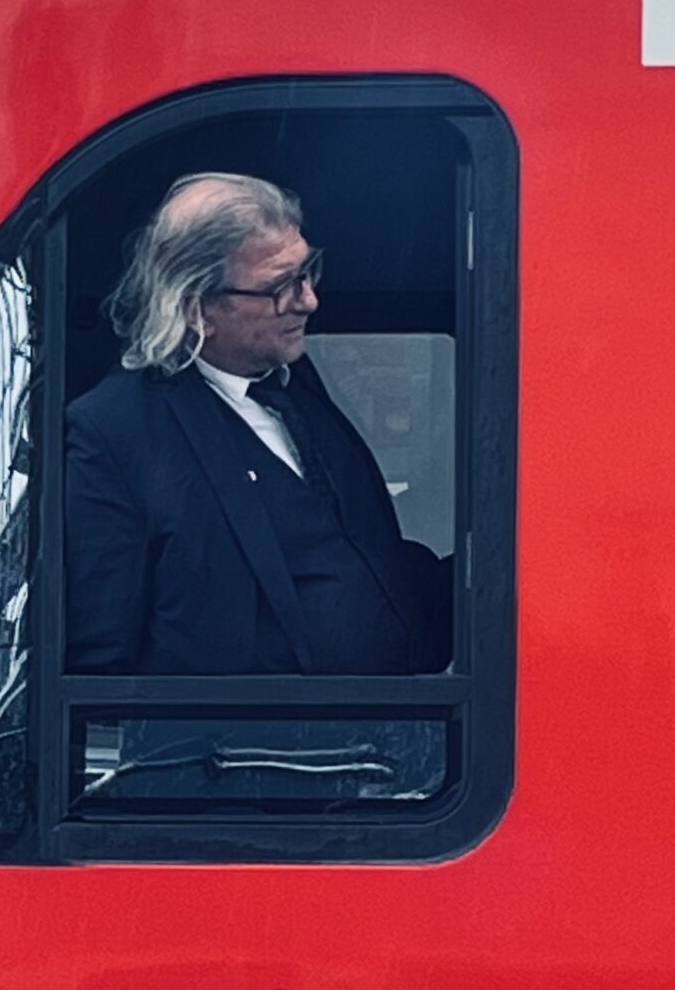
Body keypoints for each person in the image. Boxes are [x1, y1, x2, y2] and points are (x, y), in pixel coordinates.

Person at [65, 173, 450, 676]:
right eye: (279, 287)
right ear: (196, 306)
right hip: (239, 745)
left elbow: (346, 551)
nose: (308, 300)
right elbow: (100, 659)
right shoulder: (113, 431)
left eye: (307, 271)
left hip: (383, 734)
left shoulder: (299, 388)